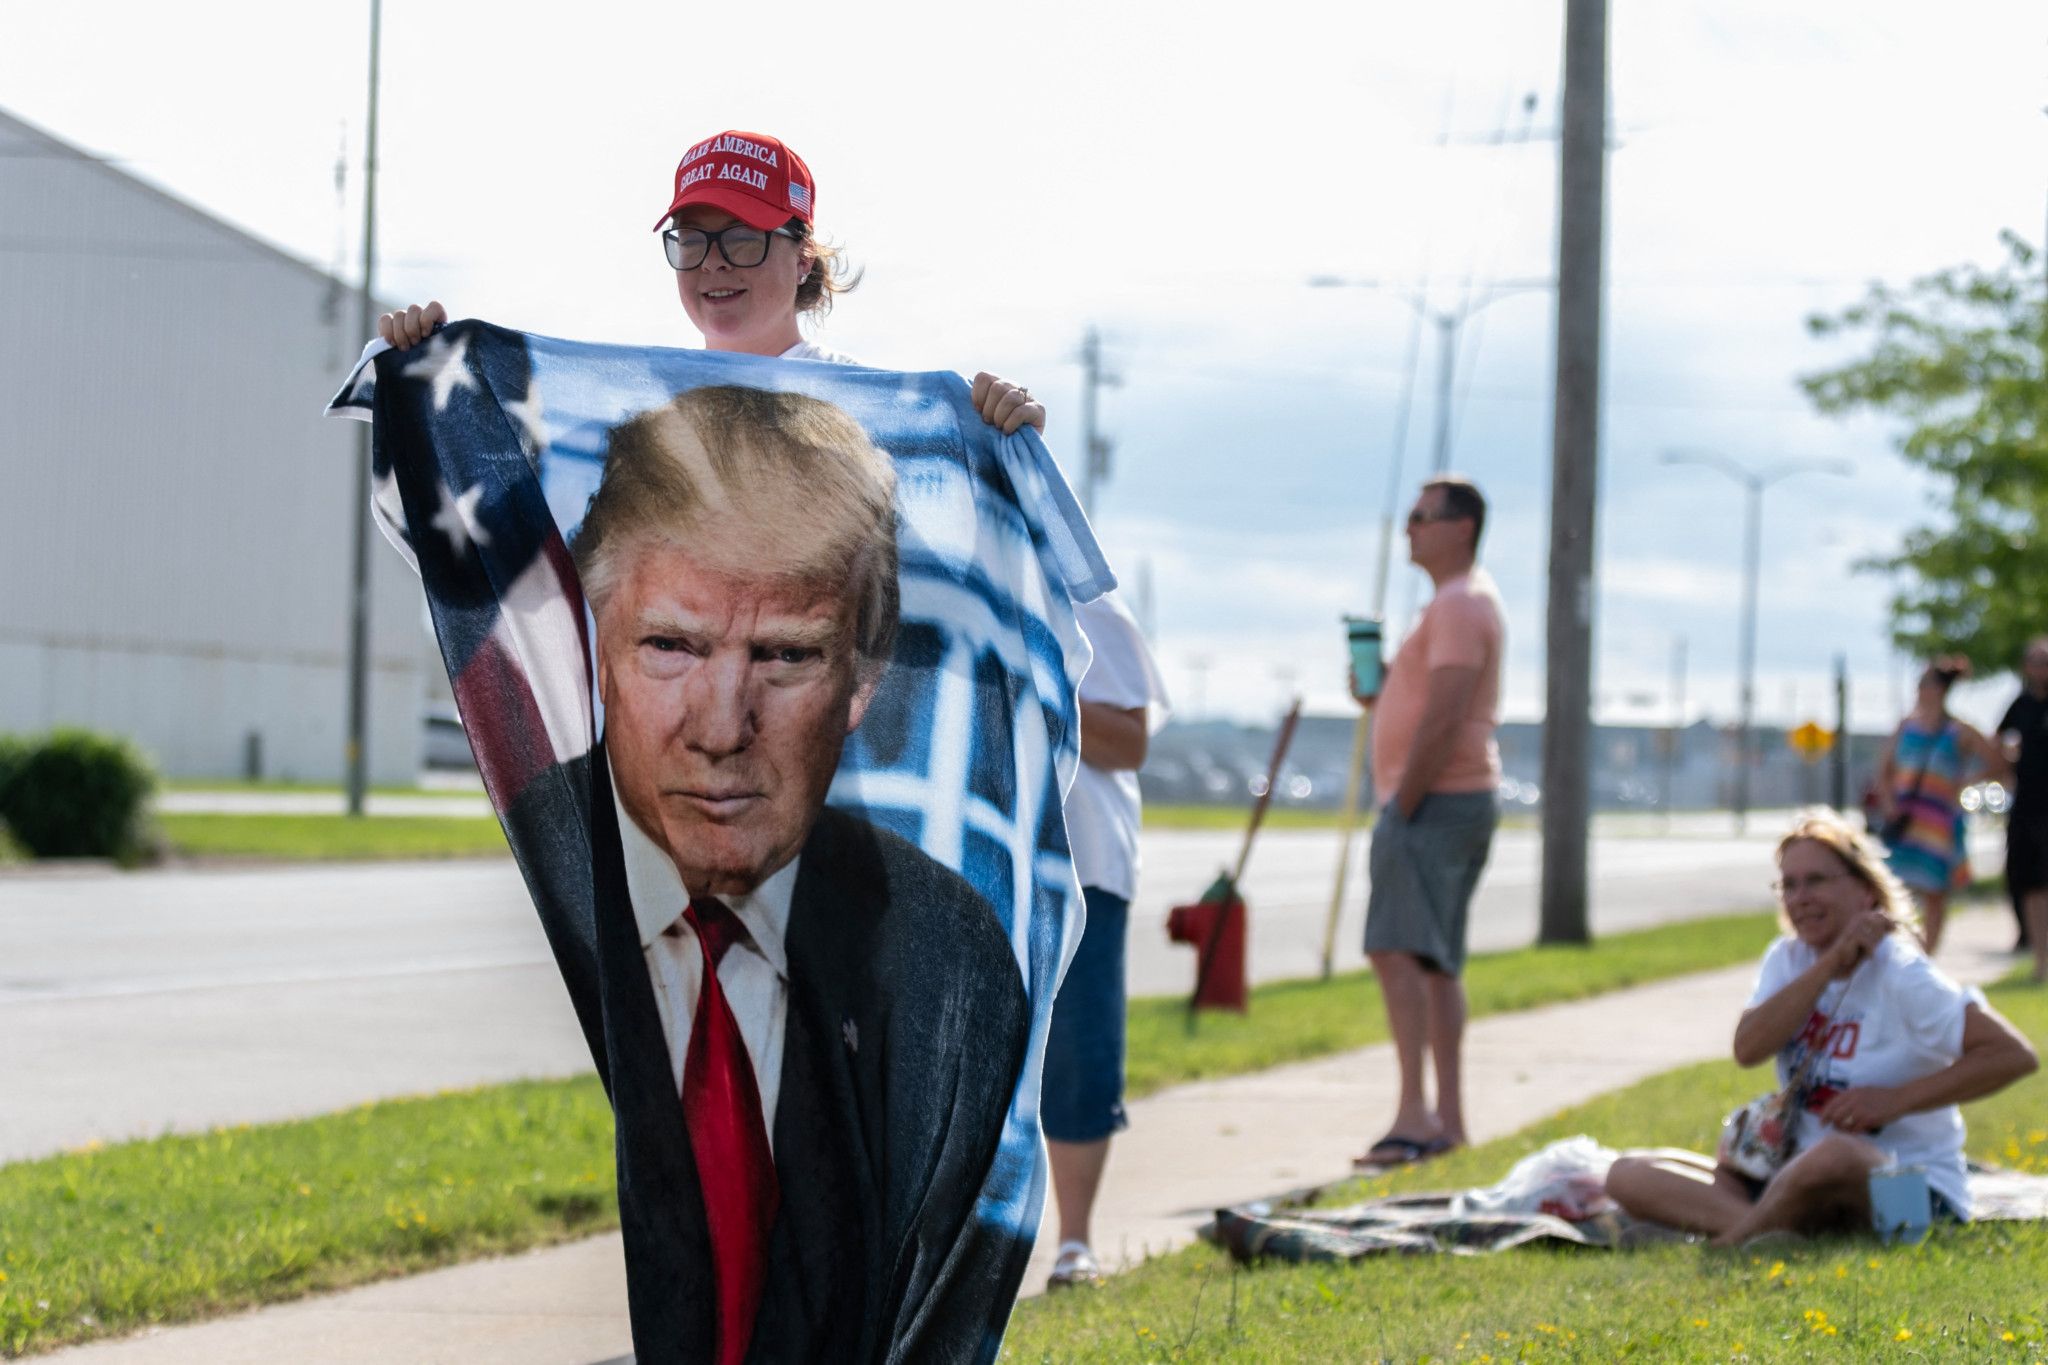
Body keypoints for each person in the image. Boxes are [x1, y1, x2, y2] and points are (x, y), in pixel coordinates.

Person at [553, 384, 1031, 1363]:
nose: (722, 728)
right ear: (593, 646)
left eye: (783, 656)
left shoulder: (945, 955)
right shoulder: (548, 844)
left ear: (863, 679)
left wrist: (1001, 450)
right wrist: (421, 375)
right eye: (672, 646)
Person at [377, 128, 1044, 434]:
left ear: (803, 256)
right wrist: (420, 372)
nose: (714, 262)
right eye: (692, 240)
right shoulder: (638, 414)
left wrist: (1007, 444)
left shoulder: (870, 412)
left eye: (744, 239)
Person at [1604, 809, 2037, 1244]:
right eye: (1788, 885)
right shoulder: (1788, 959)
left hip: (1917, 1196)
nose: (1800, 897)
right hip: (1793, 1178)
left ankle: (1728, 1243)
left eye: (1816, 881)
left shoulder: (1902, 971)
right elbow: (1748, 1048)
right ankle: (1763, 1230)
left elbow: (2013, 1055)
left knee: (1836, 1156)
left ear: (1866, 891)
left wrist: (1894, 1101)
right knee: (1627, 1173)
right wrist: (1831, 964)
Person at [1350, 476, 1505, 1168]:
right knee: (1435, 959)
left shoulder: (1463, 601)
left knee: (1398, 951)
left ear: (1462, 527)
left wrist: (1402, 807)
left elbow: (1446, 714)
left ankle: (1415, 1116)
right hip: (1447, 800)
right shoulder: (1450, 606)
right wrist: (1380, 686)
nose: (1408, 527)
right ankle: (1447, 1120)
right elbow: (1423, 698)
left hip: (1434, 802)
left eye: (1422, 516)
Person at [1040, 590, 1170, 1289]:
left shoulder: (1093, 605)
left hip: (1086, 862)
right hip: (983, 862)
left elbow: (1131, 741)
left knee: (1078, 1057)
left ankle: (1074, 1241)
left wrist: (1039, 682)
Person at [1873, 656, 2007, 954]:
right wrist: (1889, 804)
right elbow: (1884, 772)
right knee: (1893, 888)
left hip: (1939, 823)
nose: (1919, 690)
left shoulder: (1959, 731)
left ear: (1940, 689)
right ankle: (1897, 950)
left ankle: (1925, 956)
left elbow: (1998, 763)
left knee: (1934, 892)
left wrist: (1965, 781)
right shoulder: (1906, 727)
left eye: (1924, 684)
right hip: (1906, 819)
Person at [1997, 636, 2048, 977]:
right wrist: (2008, 764)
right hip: (2028, 805)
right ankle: (2041, 959)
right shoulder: (2021, 705)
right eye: (2037, 661)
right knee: (2029, 881)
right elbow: (1998, 739)